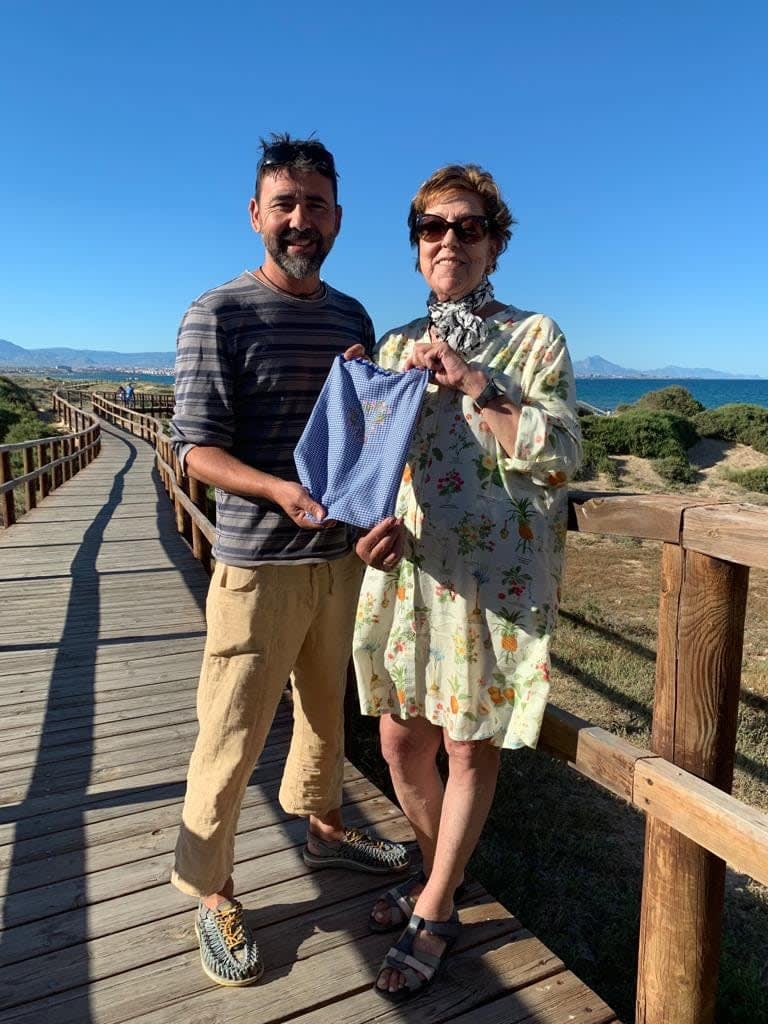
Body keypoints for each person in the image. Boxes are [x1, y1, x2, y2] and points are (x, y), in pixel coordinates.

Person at [169, 134, 409, 989]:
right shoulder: (217, 313)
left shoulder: (352, 318)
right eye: (285, 205)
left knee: (323, 712)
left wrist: (370, 390)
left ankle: (325, 826)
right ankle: (212, 891)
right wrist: (275, 490)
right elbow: (196, 449)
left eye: (315, 205)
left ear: (338, 218)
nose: (300, 221)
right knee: (230, 734)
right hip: (258, 564)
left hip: (336, 558)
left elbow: (366, 435)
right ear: (256, 215)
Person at [353, 164, 582, 1002]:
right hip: (409, 569)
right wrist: (362, 525)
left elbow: (560, 454)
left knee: (464, 741)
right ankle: (431, 876)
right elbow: (372, 470)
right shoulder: (391, 343)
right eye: (431, 227)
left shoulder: (534, 337)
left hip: (493, 580)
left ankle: (438, 904)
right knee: (398, 740)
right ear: (416, 246)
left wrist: (477, 383)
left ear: (495, 242)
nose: (449, 239)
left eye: (469, 226)